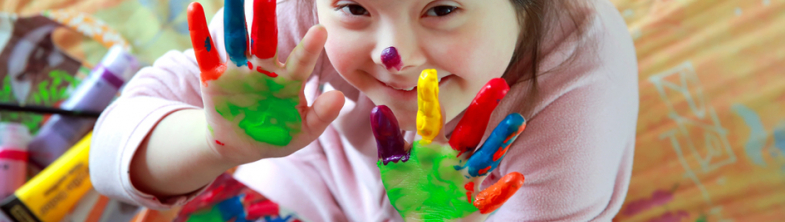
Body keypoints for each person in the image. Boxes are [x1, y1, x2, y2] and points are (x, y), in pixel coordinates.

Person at [89, 0, 639, 221]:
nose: (393, 56)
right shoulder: (295, 12)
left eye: (441, 8)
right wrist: (216, 143)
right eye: (355, 7)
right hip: (309, 182)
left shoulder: (581, 83)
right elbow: (110, 156)